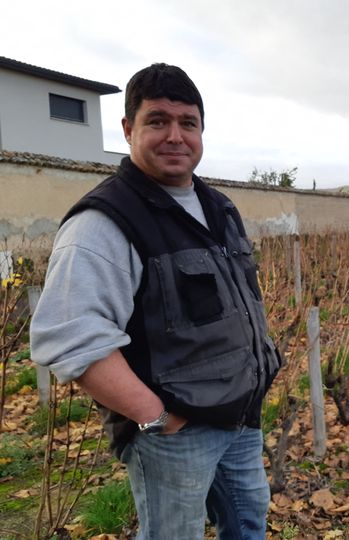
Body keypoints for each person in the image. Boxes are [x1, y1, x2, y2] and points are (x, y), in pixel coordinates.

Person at [30, 63, 281, 540]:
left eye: (188, 123)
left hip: (241, 418)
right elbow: (68, 336)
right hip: (175, 433)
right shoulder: (104, 223)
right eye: (157, 121)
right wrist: (157, 417)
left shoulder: (218, 208)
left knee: (249, 525)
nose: (175, 136)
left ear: (201, 131)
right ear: (128, 129)